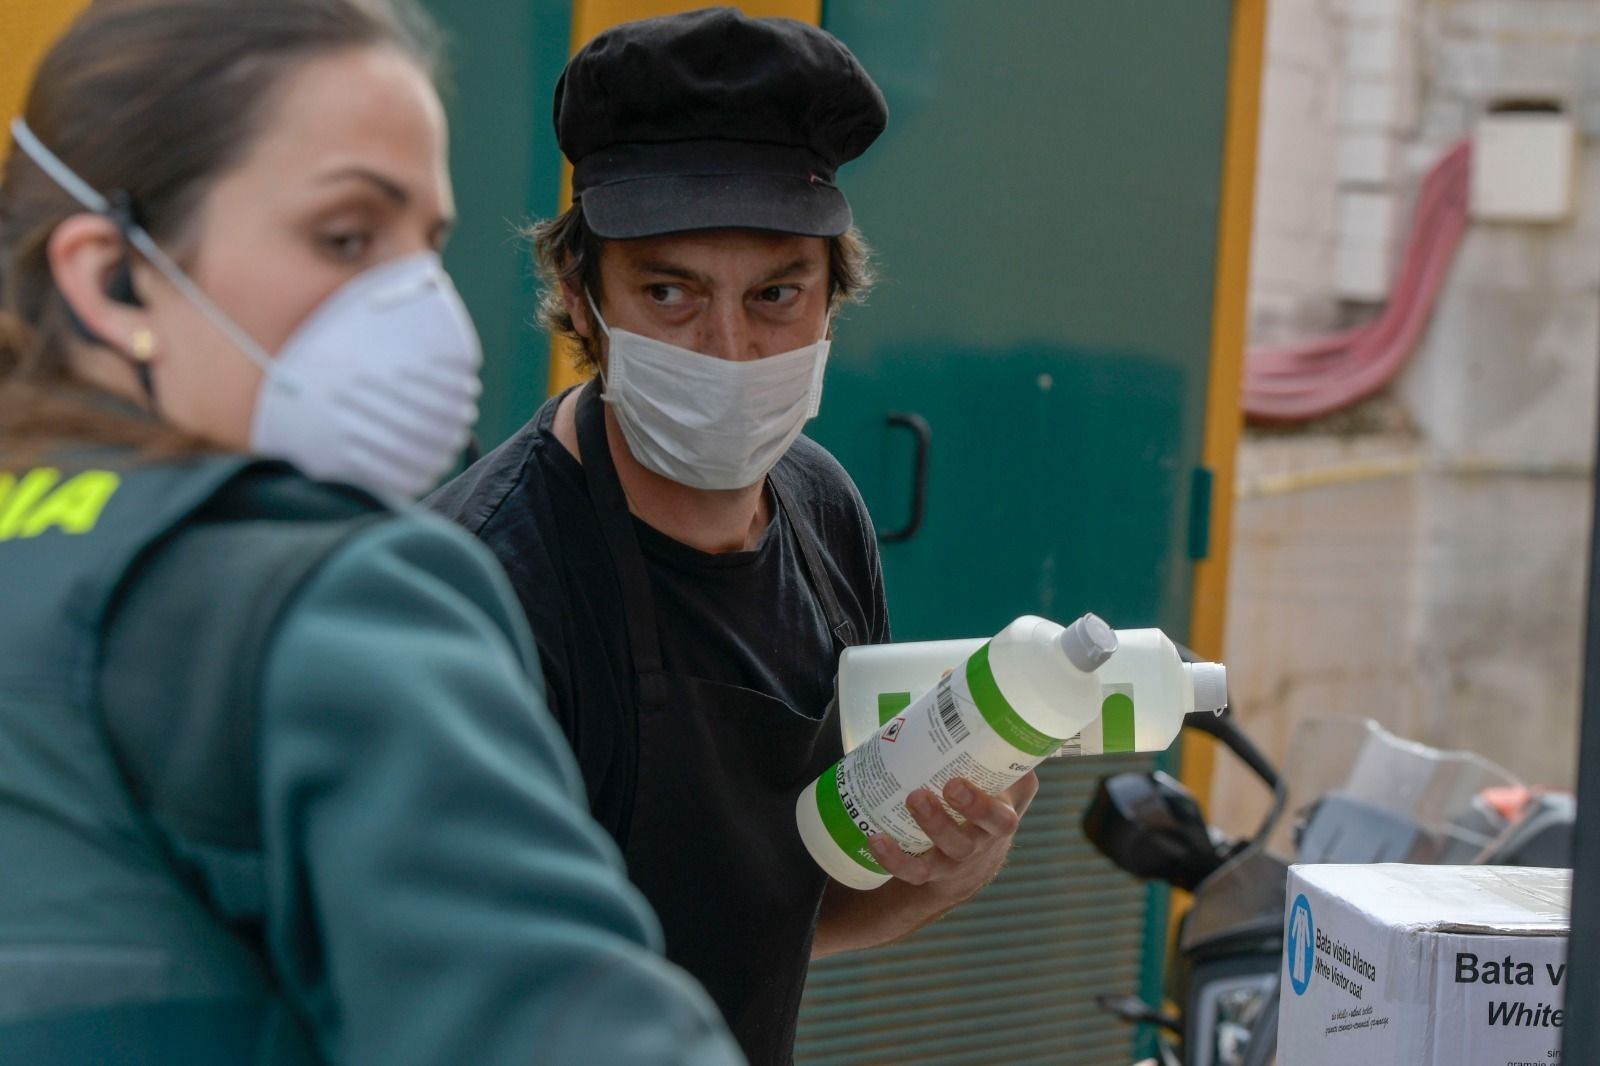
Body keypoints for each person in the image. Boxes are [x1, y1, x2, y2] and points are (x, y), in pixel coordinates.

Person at [0, 1, 742, 1063]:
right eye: (345, 237)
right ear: (112, 277)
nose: (421, 311)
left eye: (423, 247)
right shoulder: (330, 603)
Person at [427, 9, 1038, 1061]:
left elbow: (773, 925)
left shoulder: (823, 512)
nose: (728, 347)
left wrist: (940, 876)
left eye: (775, 294)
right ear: (582, 297)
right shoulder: (483, 589)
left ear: (833, 299)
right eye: (669, 292)